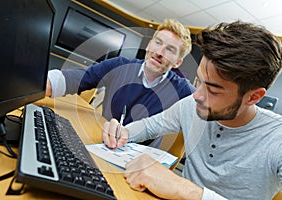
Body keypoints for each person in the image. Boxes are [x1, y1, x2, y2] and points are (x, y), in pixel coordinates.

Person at [102, 20, 282, 199]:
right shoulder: (191, 105)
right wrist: (123, 131)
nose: (197, 95)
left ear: (254, 97)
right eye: (199, 81)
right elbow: (150, 126)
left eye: (212, 90)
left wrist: (186, 191)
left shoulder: (276, 139)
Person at [46, 19, 196, 148]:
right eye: (158, 43)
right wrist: (38, 83)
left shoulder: (182, 89)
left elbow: (209, 108)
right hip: (101, 142)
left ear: (177, 62)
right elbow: (79, 78)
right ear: (149, 45)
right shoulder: (119, 65)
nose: (159, 52)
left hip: (139, 160)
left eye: (170, 49)